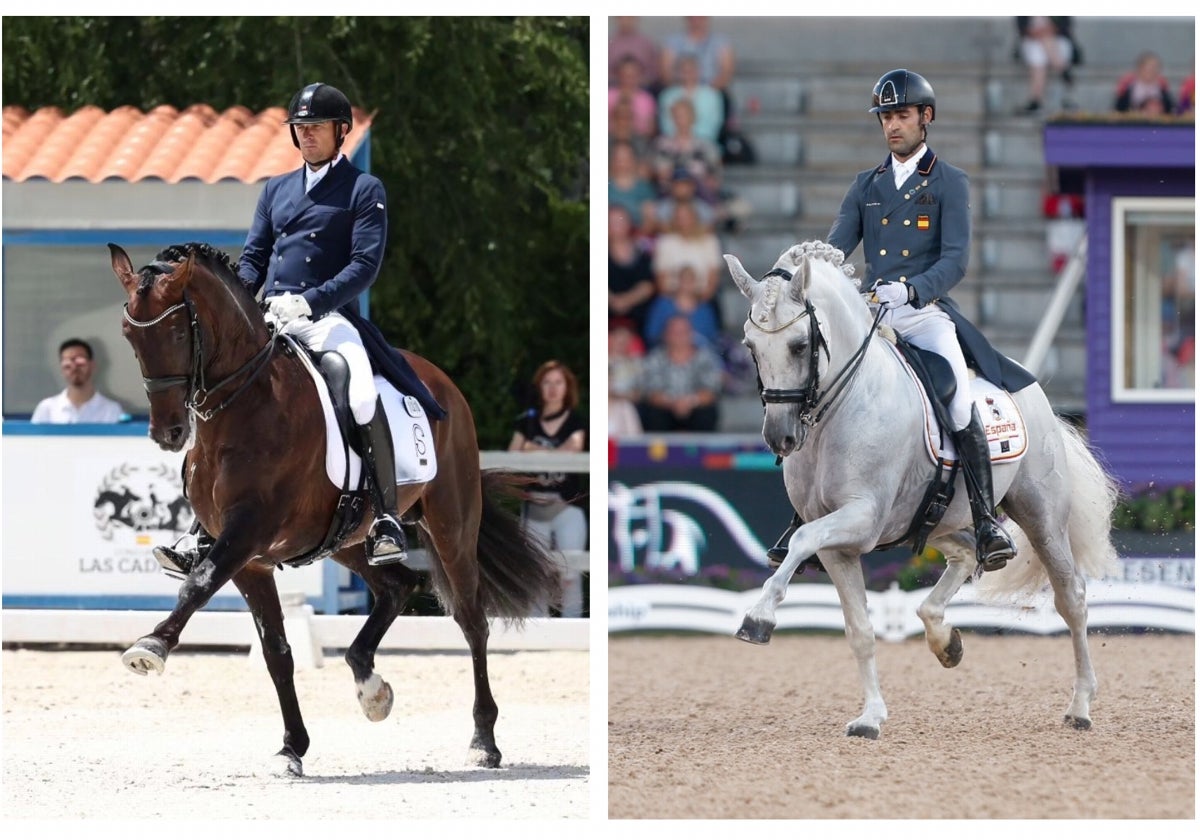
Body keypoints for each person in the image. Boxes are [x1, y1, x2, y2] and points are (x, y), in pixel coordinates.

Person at [155, 82, 436, 576]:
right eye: (300, 129)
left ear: (340, 131)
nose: (306, 135)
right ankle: (201, 527)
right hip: (271, 318)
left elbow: (364, 264)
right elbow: (255, 260)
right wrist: (243, 309)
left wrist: (311, 301)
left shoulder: (363, 190)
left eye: (316, 128)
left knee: (359, 390)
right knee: (215, 389)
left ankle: (387, 516)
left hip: (328, 320)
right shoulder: (276, 189)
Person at [766, 69, 1036, 574]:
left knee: (956, 399)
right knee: (820, 391)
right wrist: (799, 275)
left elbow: (955, 260)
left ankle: (984, 519)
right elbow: (833, 249)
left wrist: (913, 289)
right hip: (872, 314)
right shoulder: (865, 185)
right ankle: (801, 514)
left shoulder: (950, 182)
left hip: (924, 314)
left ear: (925, 118)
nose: (893, 126)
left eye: (902, 116)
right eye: (887, 117)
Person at [508, 360, 589, 558]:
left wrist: (530, 447)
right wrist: (532, 449)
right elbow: (511, 455)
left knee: (570, 575)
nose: (553, 388)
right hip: (534, 509)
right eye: (547, 382)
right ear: (539, 387)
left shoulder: (576, 421)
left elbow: (572, 450)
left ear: (567, 387)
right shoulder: (527, 421)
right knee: (536, 575)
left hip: (567, 506)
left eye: (558, 382)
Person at [636, 315, 722, 432]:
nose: (678, 336)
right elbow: (651, 393)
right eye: (674, 332)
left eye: (682, 332)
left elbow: (711, 391)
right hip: (665, 408)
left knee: (707, 412)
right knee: (652, 413)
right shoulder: (654, 358)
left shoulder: (705, 358)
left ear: (691, 333)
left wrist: (690, 401)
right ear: (665, 334)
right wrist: (673, 403)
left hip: (695, 407)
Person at [31, 338, 124, 423]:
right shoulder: (47, 408)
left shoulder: (111, 410)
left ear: (92, 365)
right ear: (61, 368)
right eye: (68, 363)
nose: (74, 367)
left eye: (80, 361)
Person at [642, 265, 721, 351]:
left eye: (690, 280)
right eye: (683, 279)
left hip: (698, 355)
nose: (686, 284)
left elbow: (711, 338)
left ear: (696, 283)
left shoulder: (705, 309)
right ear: (678, 281)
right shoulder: (662, 305)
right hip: (666, 353)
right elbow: (651, 334)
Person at [608, 204, 657, 340]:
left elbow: (648, 285)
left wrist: (625, 301)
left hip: (639, 318)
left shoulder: (642, 250)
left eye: (621, 220)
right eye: (612, 222)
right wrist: (613, 301)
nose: (617, 226)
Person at [1015, 16, 1077, 114]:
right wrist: (1038, 32)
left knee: (1046, 43)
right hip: (1033, 41)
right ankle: (1062, 69)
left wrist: (1047, 30)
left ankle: (1035, 100)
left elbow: (1064, 25)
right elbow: (1023, 28)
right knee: (1037, 53)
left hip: (1058, 41)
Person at [658, 55, 724, 144]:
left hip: (704, 143)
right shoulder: (667, 96)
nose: (688, 74)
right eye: (684, 71)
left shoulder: (712, 96)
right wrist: (680, 140)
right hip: (673, 143)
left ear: (699, 71)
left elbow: (714, 124)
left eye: (691, 70)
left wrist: (692, 140)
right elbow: (666, 124)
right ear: (678, 73)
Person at [609, 141, 657, 234]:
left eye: (626, 158)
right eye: (618, 158)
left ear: (633, 159)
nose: (622, 163)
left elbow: (651, 221)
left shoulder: (644, 188)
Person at [608, 319, 645, 437]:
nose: (621, 341)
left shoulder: (637, 363)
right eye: (618, 337)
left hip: (627, 405)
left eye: (625, 338)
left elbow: (640, 391)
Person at [608, 57, 658, 141]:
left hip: (639, 141)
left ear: (639, 76)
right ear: (618, 75)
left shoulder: (647, 100)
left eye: (633, 75)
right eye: (625, 75)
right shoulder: (608, 96)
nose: (629, 79)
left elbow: (650, 129)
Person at [609, 16, 662, 94]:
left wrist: (637, 81)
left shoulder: (646, 43)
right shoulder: (610, 43)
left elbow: (654, 72)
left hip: (643, 87)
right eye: (622, 18)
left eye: (629, 18)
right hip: (614, 86)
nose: (626, 21)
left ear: (636, 19)